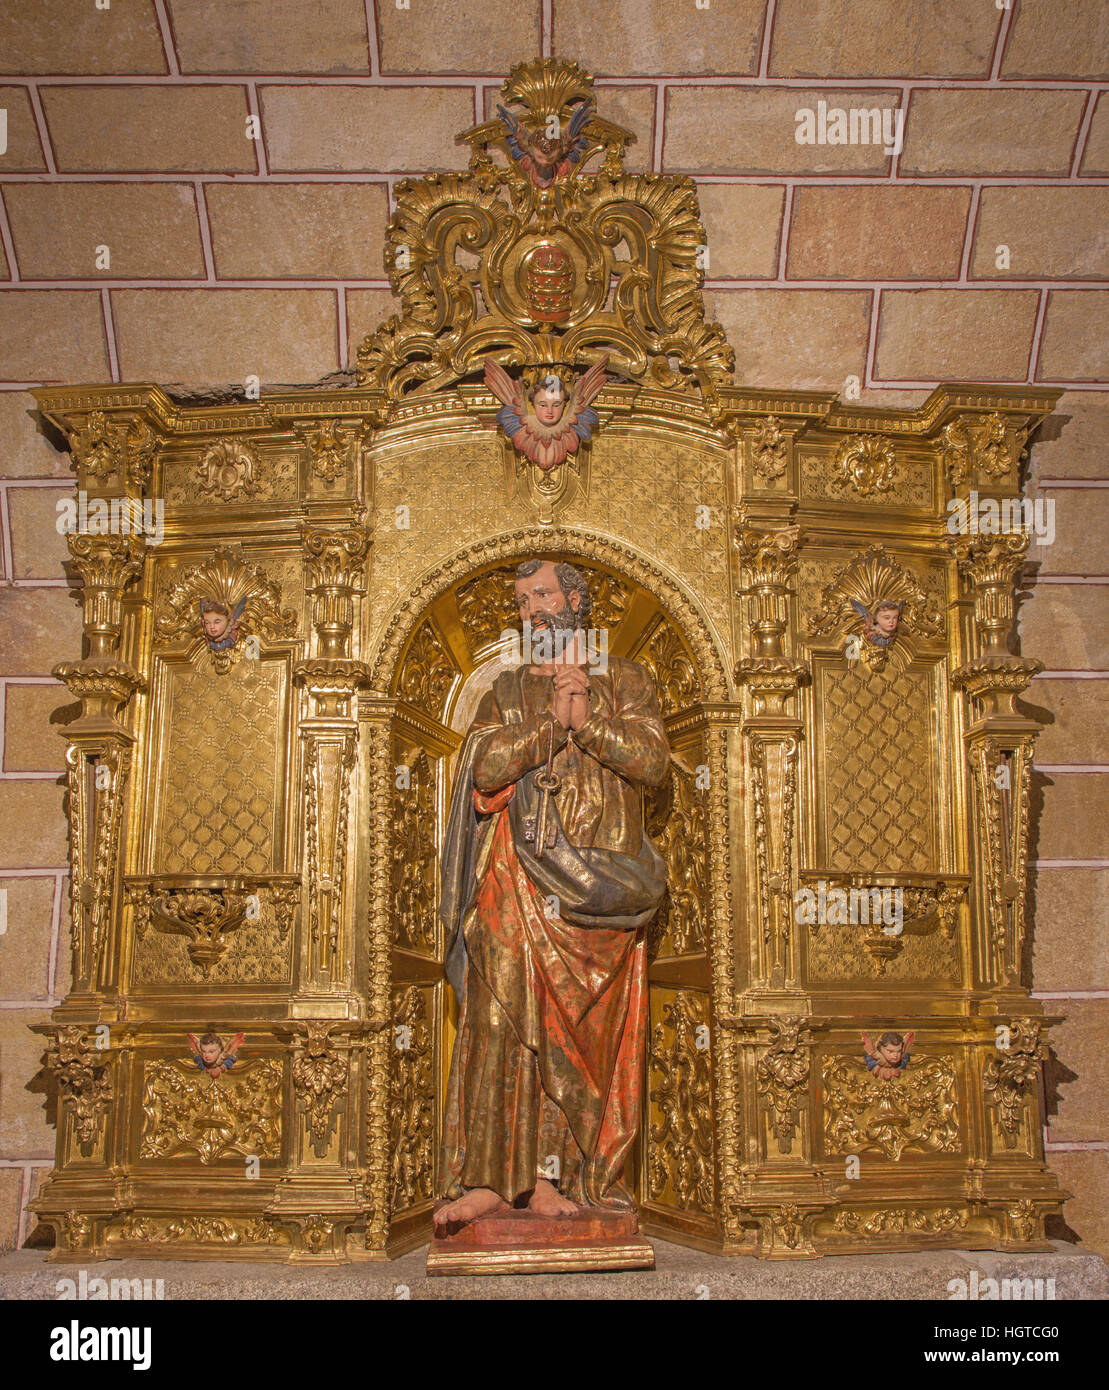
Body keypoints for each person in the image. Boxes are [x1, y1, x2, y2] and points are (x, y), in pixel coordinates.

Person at [434, 559, 670, 1228]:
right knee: (497, 1018)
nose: (528, 611)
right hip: (513, 879)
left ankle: (552, 1179)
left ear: (574, 599)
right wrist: (549, 728)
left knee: (578, 1044)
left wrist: (589, 720)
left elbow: (653, 766)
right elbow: (481, 767)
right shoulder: (507, 688)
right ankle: (484, 1176)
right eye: (519, 601)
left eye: (539, 595)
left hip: (599, 893)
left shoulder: (625, 679)